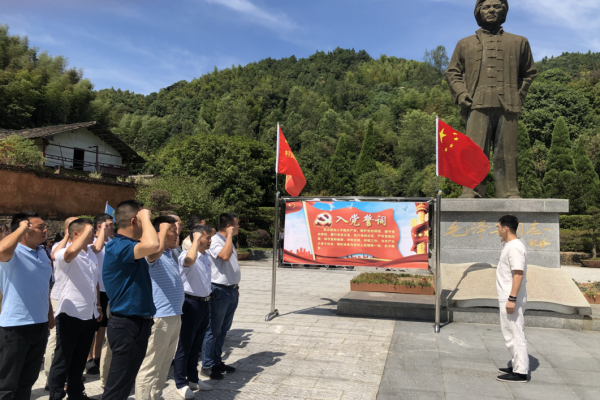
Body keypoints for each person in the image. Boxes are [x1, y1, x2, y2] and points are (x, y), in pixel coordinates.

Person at [102, 200, 160, 400]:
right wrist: (145, 217)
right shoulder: (117, 246)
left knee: (124, 383)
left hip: (137, 321)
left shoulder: (131, 246)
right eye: (144, 219)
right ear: (135, 220)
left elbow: (154, 250)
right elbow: (153, 244)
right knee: (117, 387)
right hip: (127, 323)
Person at [0, 212, 54, 400]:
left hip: (39, 324)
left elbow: (43, 286)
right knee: (7, 383)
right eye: (40, 227)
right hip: (16, 326)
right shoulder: (13, 252)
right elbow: (1, 249)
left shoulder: (42, 252)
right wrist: (21, 228)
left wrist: (49, 313)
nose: (45, 230)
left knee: (27, 380)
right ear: (24, 230)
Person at [48, 218, 103, 400]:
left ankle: (76, 393)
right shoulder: (63, 252)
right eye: (89, 232)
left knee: (80, 358)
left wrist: (98, 305)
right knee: (63, 359)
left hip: (89, 313)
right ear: (77, 234)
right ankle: (56, 395)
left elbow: (94, 282)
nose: (93, 234)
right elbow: (71, 251)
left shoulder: (91, 254)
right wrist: (81, 233)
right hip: (70, 313)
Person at [135, 216, 187, 400]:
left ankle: (155, 396)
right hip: (161, 317)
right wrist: (161, 231)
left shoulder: (169, 254)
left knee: (164, 364)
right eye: (172, 231)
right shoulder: (152, 254)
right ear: (159, 233)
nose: (177, 234)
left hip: (175, 315)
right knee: (151, 365)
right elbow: (152, 253)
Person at [175, 225, 214, 398]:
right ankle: (180, 382)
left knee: (196, 346)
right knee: (185, 345)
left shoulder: (206, 257)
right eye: (207, 237)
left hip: (204, 304)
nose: (210, 240)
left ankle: (193, 378)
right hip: (190, 304)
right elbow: (188, 261)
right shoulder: (186, 255)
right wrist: (196, 239)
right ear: (196, 238)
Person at [202, 213, 240, 379]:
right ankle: (207, 365)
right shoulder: (215, 241)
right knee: (213, 329)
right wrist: (229, 236)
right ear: (228, 226)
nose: (238, 228)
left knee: (224, 329)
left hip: (231, 290)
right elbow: (224, 256)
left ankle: (217, 361)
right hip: (219, 290)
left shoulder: (227, 241)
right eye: (236, 225)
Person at [44, 218, 78, 391]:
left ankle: (66, 375)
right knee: (55, 339)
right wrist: (66, 236)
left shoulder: (81, 247)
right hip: (59, 297)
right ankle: (51, 378)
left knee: (68, 339)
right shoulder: (59, 246)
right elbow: (54, 255)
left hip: (73, 300)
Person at [495, 215, 529, 383]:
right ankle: (517, 365)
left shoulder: (515, 247)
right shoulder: (510, 244)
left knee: (515, 333)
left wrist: (512, 299)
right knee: (510, 332)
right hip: (507, 296)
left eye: (499, 227)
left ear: (505, 228)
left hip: (511, 298)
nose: (497, 230)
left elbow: (518, 274)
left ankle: (521, 372)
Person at [85, 213, 114, 376]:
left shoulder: (113, 242)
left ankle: (97, 357)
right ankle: (88, 358)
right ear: (99, 226)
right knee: (92, 327)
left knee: (103, 327)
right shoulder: (92, 243)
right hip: (97, 290)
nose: (113, 227)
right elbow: (97, 249)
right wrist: (102, 233)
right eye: (109, 224)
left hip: (110, 290)